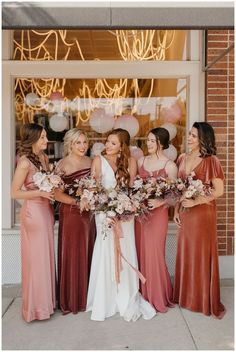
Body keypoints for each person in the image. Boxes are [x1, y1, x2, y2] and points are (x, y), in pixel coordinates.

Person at [86, 128, 156, 321]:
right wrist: (105, 207)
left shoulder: (131, 162)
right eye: (107, 141)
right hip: (104, 215)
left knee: (125, 249)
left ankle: (125, 293)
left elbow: (132, 189)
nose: (107, 146)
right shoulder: (98, 161)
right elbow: (93, 189)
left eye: (113, 143)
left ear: (122, 147)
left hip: (125, 216)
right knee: (106, 251)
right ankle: (106, 298)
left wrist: (127, 207)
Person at [173, 122, 226, 319]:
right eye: (189, 134)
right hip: (185, 213)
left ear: (204, 138)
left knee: (201, 254)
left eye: (194, 136)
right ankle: (186, 296)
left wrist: (196, 201)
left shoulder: (212, 161)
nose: (189, 138)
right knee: (186, 252)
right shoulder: (182, 158)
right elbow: (179, 189)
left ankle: (202, 299)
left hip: (203, 213)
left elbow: (218, 191)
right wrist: (177, 210)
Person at [11, 123, 55, 322]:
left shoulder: (44, 158)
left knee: (45, 257)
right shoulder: (24, 162)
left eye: (46, 136)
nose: (46, 140)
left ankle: (46, 304)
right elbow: (14, 193)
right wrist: (39, 192)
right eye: (43, 137)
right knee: (36, 260)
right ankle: (35, 309)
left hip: (46, 212)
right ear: (33, 139)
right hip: (33, 213)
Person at [135, 128, 177, 313]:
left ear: (161, 142)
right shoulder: (140, 161)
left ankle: (158, 295)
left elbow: (176, 195)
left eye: (152, 141)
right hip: (141, 214)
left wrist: (160, 201)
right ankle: (143, 294)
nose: (148, 144)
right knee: (141, 252)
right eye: (148, 140)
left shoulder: (170, 166)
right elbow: (135, 187)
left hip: (158, 216)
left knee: (155, 253)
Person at [54, 128, 96, 315]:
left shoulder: (91, 161)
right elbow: (55, 193)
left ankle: (89, 296)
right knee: (72, 252)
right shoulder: (62, 164)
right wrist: (77, 201)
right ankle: (72, 298)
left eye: (85, 142)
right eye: (78, 142)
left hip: (89, 214)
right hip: (71, 213)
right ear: (70, 144)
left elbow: (97, 185)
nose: (82, 146)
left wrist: (91, 197)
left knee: (89, 249)